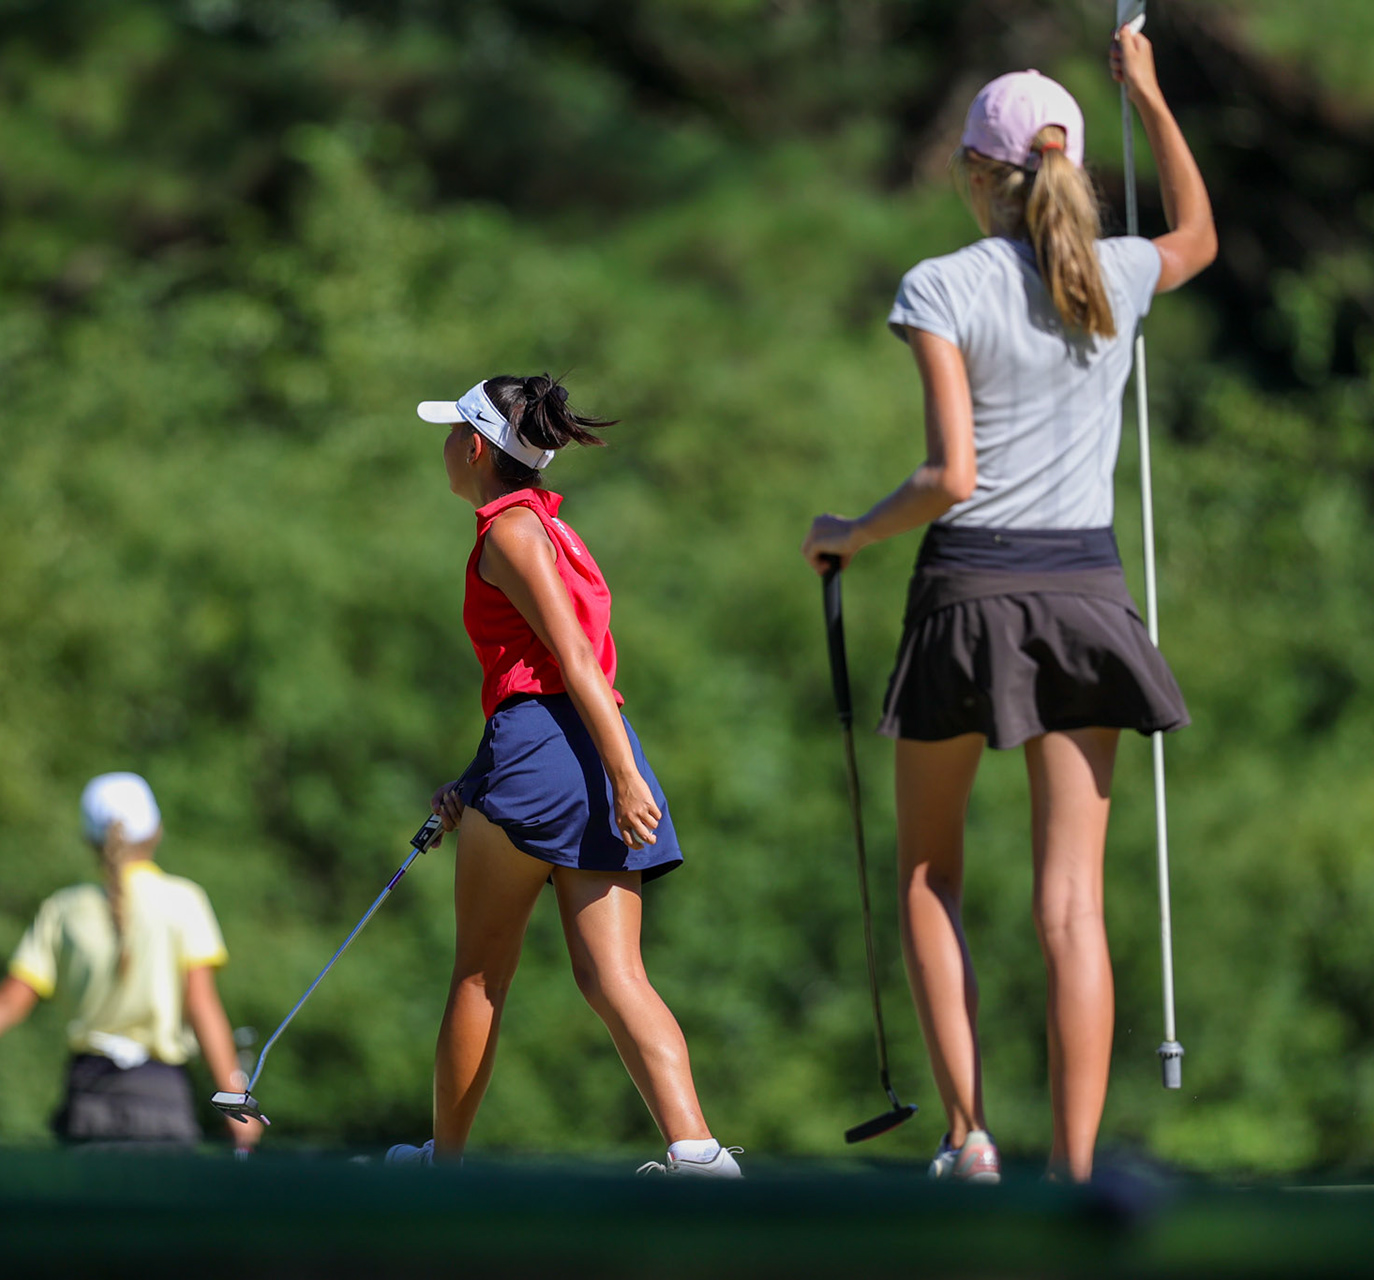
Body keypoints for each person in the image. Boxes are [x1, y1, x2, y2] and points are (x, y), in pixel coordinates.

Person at [801, 27, 1216, 1184]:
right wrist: (1152, 93)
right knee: (1071, 905)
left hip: (969, 595)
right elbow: (1203, 236)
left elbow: (950, 479)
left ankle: (968, 1135)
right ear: (1075, 165)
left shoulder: (942, 283)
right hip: (1085, 594)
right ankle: (1075, 1175)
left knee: (933, 874)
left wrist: (845, 534)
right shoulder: (1121, 273)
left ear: (977, 173)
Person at [385, 374, 741, 1178]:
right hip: (583, 749)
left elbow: (567, 664)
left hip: (563, 754)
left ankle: (444, 1170)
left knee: (480, 974)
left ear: (474, 446)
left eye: (450, 434)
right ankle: (699, 1156)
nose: (443, 446)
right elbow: (544, 671)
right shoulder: (549, 526)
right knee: (612, 975)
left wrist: (624, 776)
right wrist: (481, 778)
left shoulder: (506, 531)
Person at [0, 772, 260, 1152]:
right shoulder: (184, 901)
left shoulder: (63, 910)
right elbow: (201, 1004)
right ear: (156, 831)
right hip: (159, 1098)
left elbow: (9, 1001)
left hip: (88, 1100)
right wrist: (234, 1102)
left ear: (89, 840)